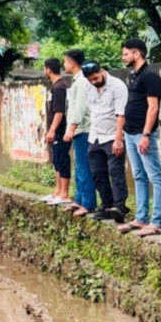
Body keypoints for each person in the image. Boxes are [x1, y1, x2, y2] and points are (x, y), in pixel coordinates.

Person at [116, 39, 161, 236]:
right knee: (139, 175)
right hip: (130, 131)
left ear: (137, 54)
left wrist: (146, 134)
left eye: (126, 54)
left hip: (143, 133)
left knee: (155, 176)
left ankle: (157, 221)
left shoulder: (150, 75)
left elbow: (153, 107)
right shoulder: (134, 74)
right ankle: (141, 217)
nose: (123, 57)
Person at [83, 61, 130, 222]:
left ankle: (120, 206)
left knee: (115, 171)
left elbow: (121, 114)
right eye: (91, 80)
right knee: (97, 172)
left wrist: (118, 139)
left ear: (101, 70)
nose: (94, 82)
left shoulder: (117, 86)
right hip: (95, 135)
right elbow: (92, 110)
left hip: (112, 136)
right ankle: (107, 205)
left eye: (96, 78)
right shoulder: (88, 87)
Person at [62, 50, 95, 217]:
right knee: (79, 167)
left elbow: (80, 108)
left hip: (83, 130)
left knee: (84, 167)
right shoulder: (76, 81)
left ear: (72, 63)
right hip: (78, 130)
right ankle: (79, 199)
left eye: (65, 62)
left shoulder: (82, 82)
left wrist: (71, 128)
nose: (64, 65)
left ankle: (88, 203)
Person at [40, 58, 71, 205]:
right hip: (57, 131)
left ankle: (64, 193)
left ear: (48, 70)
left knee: (62, 160)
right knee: (57, 160)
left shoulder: (59, 87)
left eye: (44, 69)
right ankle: (57, 191)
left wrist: (52, 130)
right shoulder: (59, 86)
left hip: (60, 130)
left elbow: (59, 111)